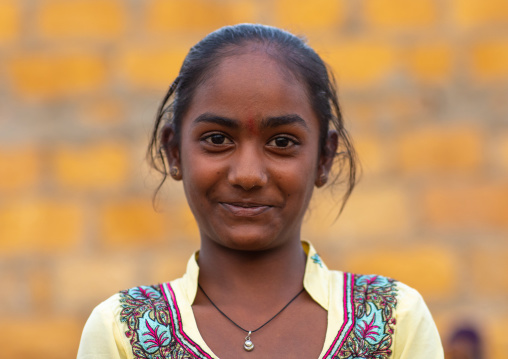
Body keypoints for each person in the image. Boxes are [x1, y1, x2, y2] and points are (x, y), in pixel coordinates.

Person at [77, 24, 444, 359]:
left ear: (324, 158)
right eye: (217, 139)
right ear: (174, 152)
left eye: (282, 142)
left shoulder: (395, 320)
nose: (248, 175)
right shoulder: (122, 330)